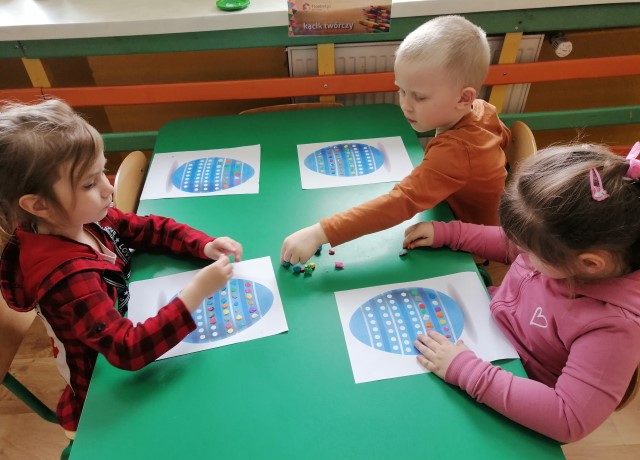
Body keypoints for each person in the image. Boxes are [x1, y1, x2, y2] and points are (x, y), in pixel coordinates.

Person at [0, 99, 243, 435]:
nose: (108, 188)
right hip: (100, 396)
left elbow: (146, 228)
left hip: (123, 340)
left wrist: (202, 244)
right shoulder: (68, 279)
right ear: (39, 205)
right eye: (89, 183)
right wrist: (196, 293)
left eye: (102, 171)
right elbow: (126, 350)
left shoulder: (82, 219)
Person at [404, 143, 640, 443]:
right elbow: (509, 243)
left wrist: (466, 371)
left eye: (530, 251)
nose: (520, 253)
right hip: (482, 339)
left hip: (511, 392)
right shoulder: (562, 249)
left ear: (589, 264)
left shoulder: (615, 327)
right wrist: (452, 233)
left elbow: (568, 418)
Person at [281, 15, 510, 265]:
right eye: (401, 90)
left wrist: (319, 233)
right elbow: (503, 138)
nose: (405, 105)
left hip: (468, 250)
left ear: (464, 99)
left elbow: (399, 204)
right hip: (453, 216)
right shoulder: (482, 109)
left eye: (419, 97)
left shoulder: (457, 152)